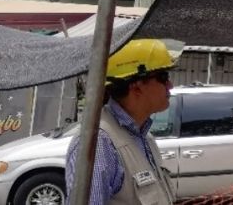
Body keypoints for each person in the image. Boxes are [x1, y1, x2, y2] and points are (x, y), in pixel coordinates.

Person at [66, 39, 177, 205]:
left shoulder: (144, 137)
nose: (170, 85)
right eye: (163, 77)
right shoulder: (99, 144)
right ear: (136, 86)